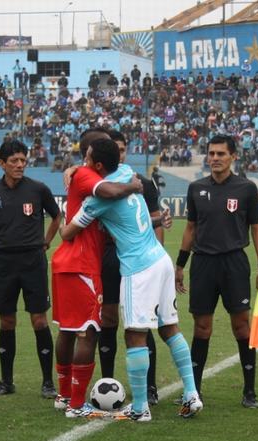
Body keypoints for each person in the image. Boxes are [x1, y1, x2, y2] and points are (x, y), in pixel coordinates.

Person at [62, 138, 202, 422]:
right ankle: (191, 394)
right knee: (169, 328)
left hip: (138, 268)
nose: (83, 162)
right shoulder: (127, 173)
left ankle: (139, 408)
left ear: (97, 165)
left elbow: (67, 233)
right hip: (160, 259)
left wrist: (75, 207)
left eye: (87, 158)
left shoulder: (97, 200)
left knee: (134, 334)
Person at [175, 135, 258, 409]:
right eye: (211, 153)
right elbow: (190, 228)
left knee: (241, 326)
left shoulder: (246, 188)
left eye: (220, 154)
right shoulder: (196, 188)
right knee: (201, 327)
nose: (215, 158)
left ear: (233, 157)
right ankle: (194, 391)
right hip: (203, 264)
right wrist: (180, 265)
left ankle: (249, 391)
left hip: (234, 264)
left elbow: (257, 229)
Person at [52, 130, 142, 418]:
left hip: (66, 262)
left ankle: (64, 395)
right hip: (82, 264)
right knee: (88, 331)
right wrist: (133, 186)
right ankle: (77, 404)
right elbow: (111, 192)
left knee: (67, 330)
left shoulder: (80, 173)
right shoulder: (87, 176)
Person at [0, 139, 62, 398]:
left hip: (33, 262)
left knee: (39, 320)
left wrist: (46, 241)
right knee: (7, 321)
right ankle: (6, 382)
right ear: (2, 163)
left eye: (23, 160)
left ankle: (48, 383)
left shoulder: (38, 189)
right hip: (2, 263)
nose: (20, 165)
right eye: (14, 161)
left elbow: (57, 216)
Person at [97, 131, 165, 406]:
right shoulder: (97, 185)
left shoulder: (143, 183)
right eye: (115, 149)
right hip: (107, 257)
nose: (119, 154)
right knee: (108, 319)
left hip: (138, 259)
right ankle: (107, 382)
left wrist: (155, 257)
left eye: (122, 149)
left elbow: (157, 223)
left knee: (141, 321)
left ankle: (149, 387)